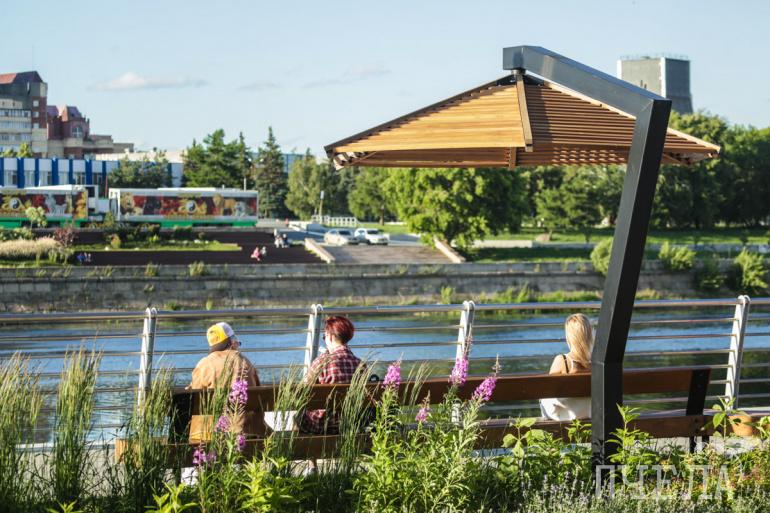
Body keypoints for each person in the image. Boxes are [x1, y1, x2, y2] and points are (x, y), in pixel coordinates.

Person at [189, 322, 265, 437]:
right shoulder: (245, 362)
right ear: (231, 342)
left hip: (213, 434)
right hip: (248, 432)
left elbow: (193, 399)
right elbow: (259, 394)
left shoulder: (204, 364)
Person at [299, 316, 362, 434]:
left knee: (297, 417)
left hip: (321, 425)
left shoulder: (322, 362)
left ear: (330, 336)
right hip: (350, 423)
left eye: (325, 337)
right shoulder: (360, 364)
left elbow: (303, 392)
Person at [539, 313, 593, 421]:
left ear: (569, 337)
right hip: (590, 412)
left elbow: (548, 390)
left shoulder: (562, 360)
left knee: (543, 398)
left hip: (566, 415)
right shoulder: (598, 362)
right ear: (590, 335)